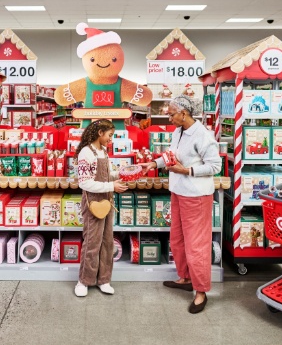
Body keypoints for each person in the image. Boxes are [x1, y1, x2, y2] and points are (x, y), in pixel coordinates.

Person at [141, 96, 221, 314]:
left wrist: (187, 171)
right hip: (178, 192)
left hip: (196, 195)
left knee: (196, 245)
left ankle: (201, 291)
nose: (169, 117)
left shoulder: (203, 136)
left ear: (184, 113)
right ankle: (185, 278)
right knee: (177, 239)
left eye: (172, 114)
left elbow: (215, 166)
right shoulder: (178, 132)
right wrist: (153, 163)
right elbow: (171, 157)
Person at [74, 119, 128, 297]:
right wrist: (112, 187)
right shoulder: (85, 153)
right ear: (100, 133)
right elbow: (85, 183)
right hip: (93, 203)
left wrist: (120, 174)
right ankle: (84, 280)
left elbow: (106, 175)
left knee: (107, 242)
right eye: (110, 135)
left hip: (107, 201)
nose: (110, 140)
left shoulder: (103, 151)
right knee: (92, 242)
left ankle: (104, 279)